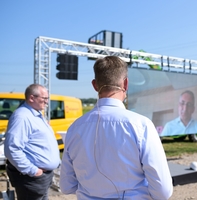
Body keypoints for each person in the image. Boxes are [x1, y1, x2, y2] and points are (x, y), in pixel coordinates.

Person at [59, 56, 173, 199]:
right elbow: (163, 191)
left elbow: (67, 186)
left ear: (94, 85)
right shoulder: (141, 125)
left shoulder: (75, 128)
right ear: (125, 84)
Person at [4, 84, 60, 200]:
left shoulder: (35, 114)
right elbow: (12, 148)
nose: (46, 102)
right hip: (32, 178)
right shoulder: (22, 117)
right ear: (31, 98)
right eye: (44, 98)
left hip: (40, 178)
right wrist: (33, 171)